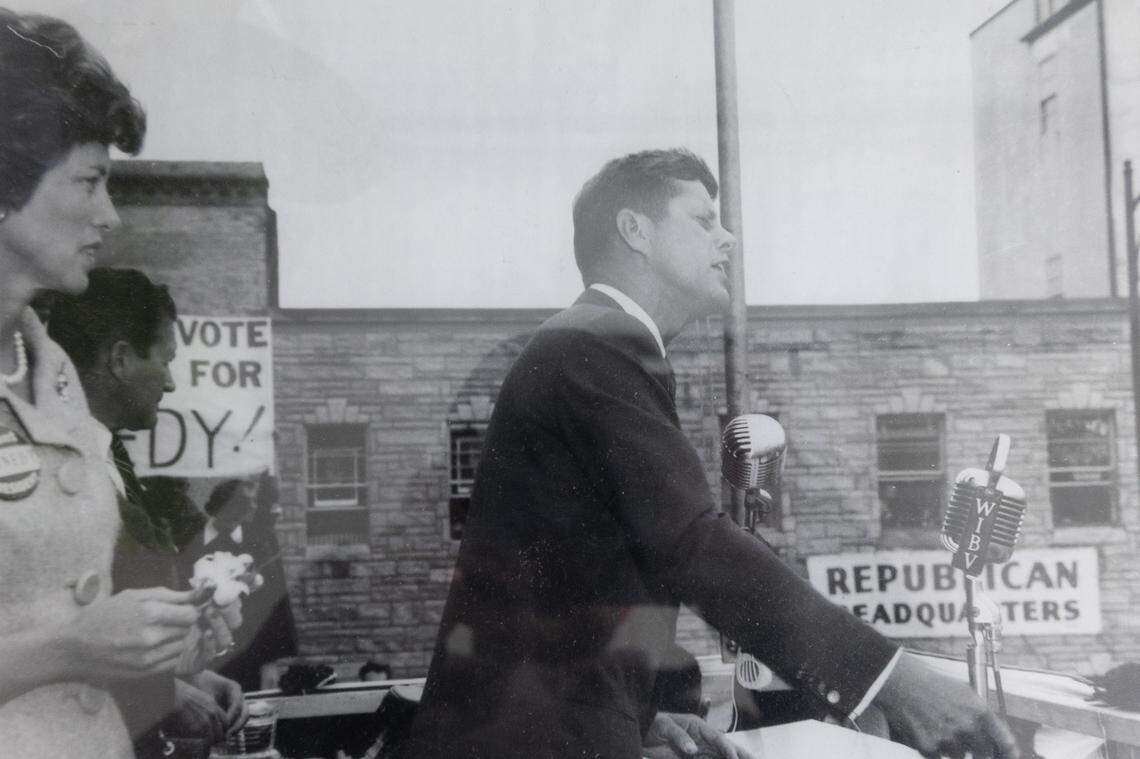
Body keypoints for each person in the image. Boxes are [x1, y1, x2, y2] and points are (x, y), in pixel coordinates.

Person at [402, 149, 1020, 759]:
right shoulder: (596, 345)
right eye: (703, 220)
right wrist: (893, 680)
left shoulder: (584, 342)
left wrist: (641, 713)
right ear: (634, 231)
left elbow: (574, 584)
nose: (727, 239)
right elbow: (690, 543)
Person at [0, 10, 202, 757]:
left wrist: (148, 644)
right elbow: (61, 639)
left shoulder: (49, 372)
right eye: (89, 181)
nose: (110, 215)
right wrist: (74, 650)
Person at [48, 267, 250, 757]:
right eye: (166, 361)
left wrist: (192, 678)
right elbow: (45, 629)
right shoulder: (54, 470)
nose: (172, 383)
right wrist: (157, 695)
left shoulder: (109, 455)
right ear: (120, 359)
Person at [180, 476, 298, 691]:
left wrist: (270, 661)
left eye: (242, 512)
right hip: (200, 657)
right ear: (216, 509)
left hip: (251, 656)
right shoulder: (186, 540)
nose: (234, 522)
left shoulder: (262, 541)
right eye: (229, 513)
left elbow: (276, 603)